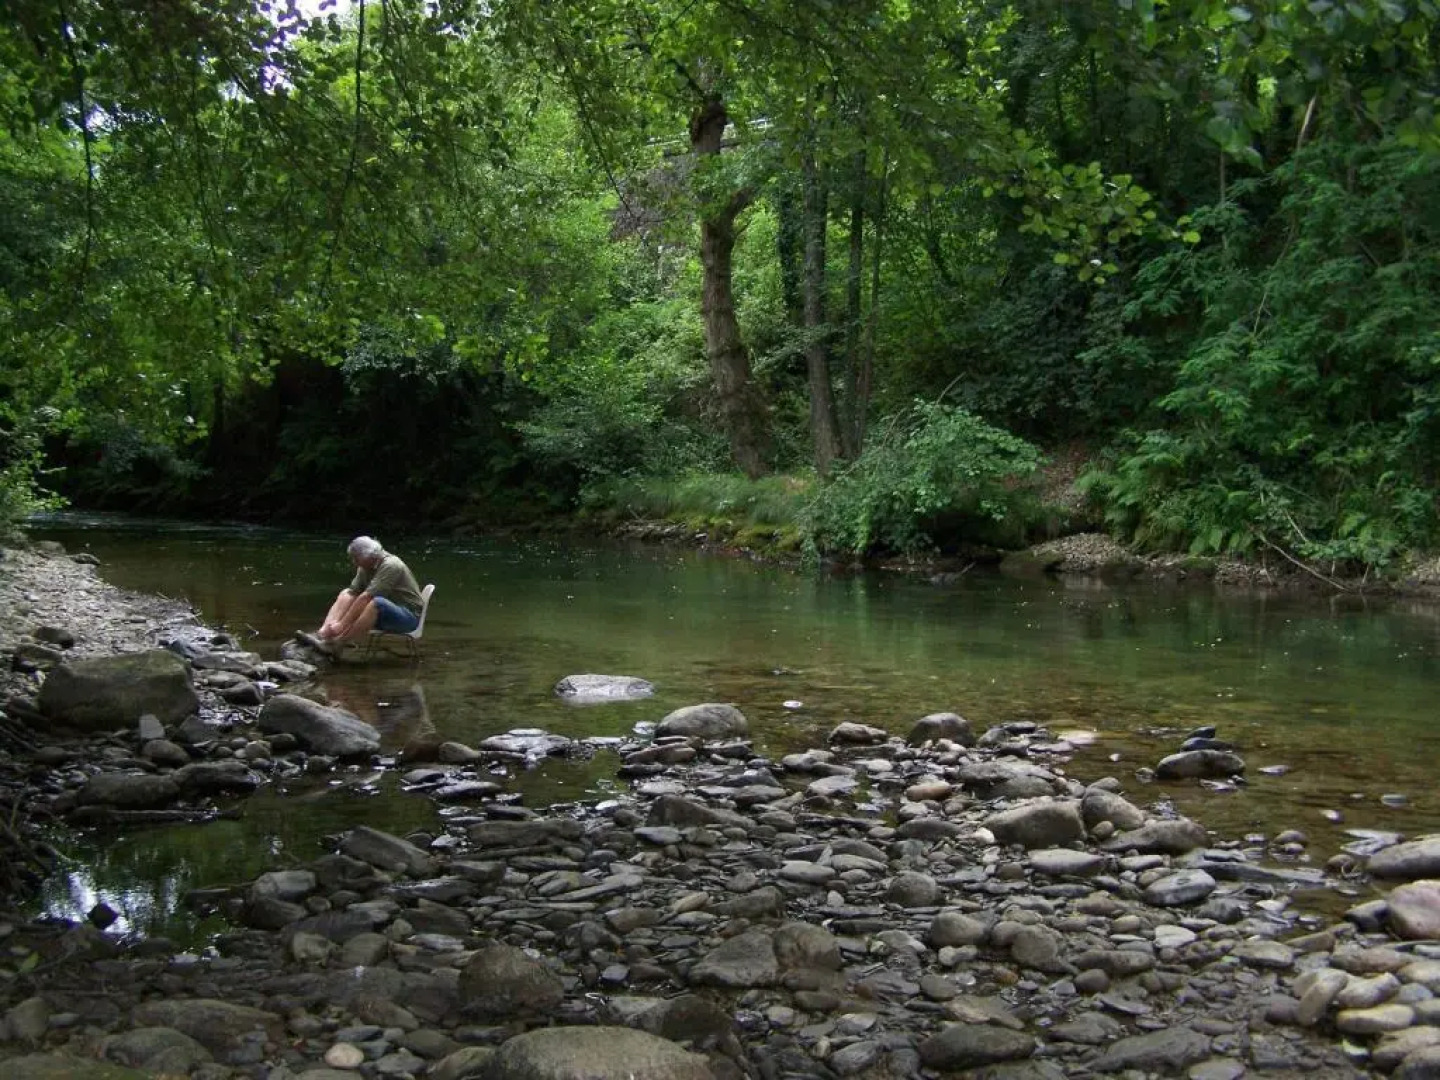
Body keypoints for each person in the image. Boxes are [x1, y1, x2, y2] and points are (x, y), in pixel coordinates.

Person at [297, 536, 424, 656]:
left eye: (356, 558)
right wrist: (334, 625)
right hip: (387, 613)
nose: (354, 562)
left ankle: (338, 643)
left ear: (369, 556)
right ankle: (323, 634)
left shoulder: (391, 565)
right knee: (346, 593)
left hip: (409, 617)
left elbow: (366, 597)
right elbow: (353, 592)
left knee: (377, 603)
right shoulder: (366, 565)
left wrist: (342, 624)